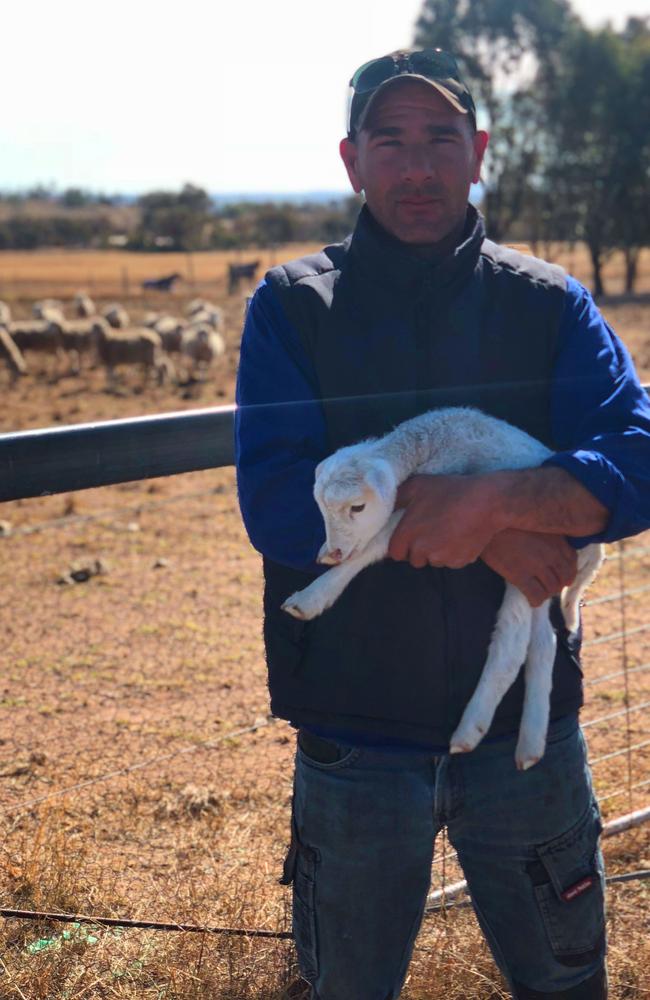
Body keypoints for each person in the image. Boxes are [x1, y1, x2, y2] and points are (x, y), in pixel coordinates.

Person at [235, 48, 650, 1000]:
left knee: (565, 985)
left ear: (480, 153)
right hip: (354, 734)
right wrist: (492, 529)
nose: (417, 166)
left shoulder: (547, 304)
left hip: (527, 743)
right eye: (392, 141)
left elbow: (638, 459)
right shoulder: (294, 308)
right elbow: (275, 504)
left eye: (440, 139)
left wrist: (495, 501)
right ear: (352, 160)